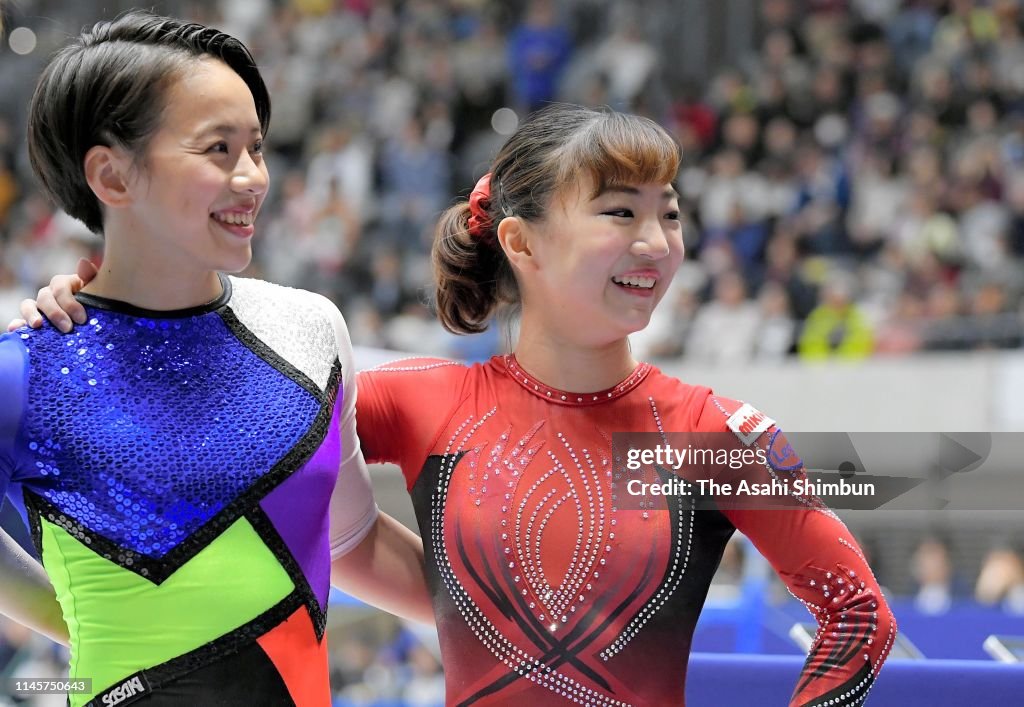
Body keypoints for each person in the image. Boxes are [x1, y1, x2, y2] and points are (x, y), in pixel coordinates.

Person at [22, 104, 896, 705]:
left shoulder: (718, 436)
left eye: (669, 215)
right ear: (520, 242)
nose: (657, 243)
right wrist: (113, 314)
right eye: (621, 212)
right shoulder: (419, 401)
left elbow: (858, 618)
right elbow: (212, 439)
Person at [0, 12, 430, 706]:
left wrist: (534, 633)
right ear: (112, 174)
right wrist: (80, 634)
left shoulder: (310, 332)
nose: (252, 177)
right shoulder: (26, 371)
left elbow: (353, 541)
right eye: (218, 149)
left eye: (256, 146)